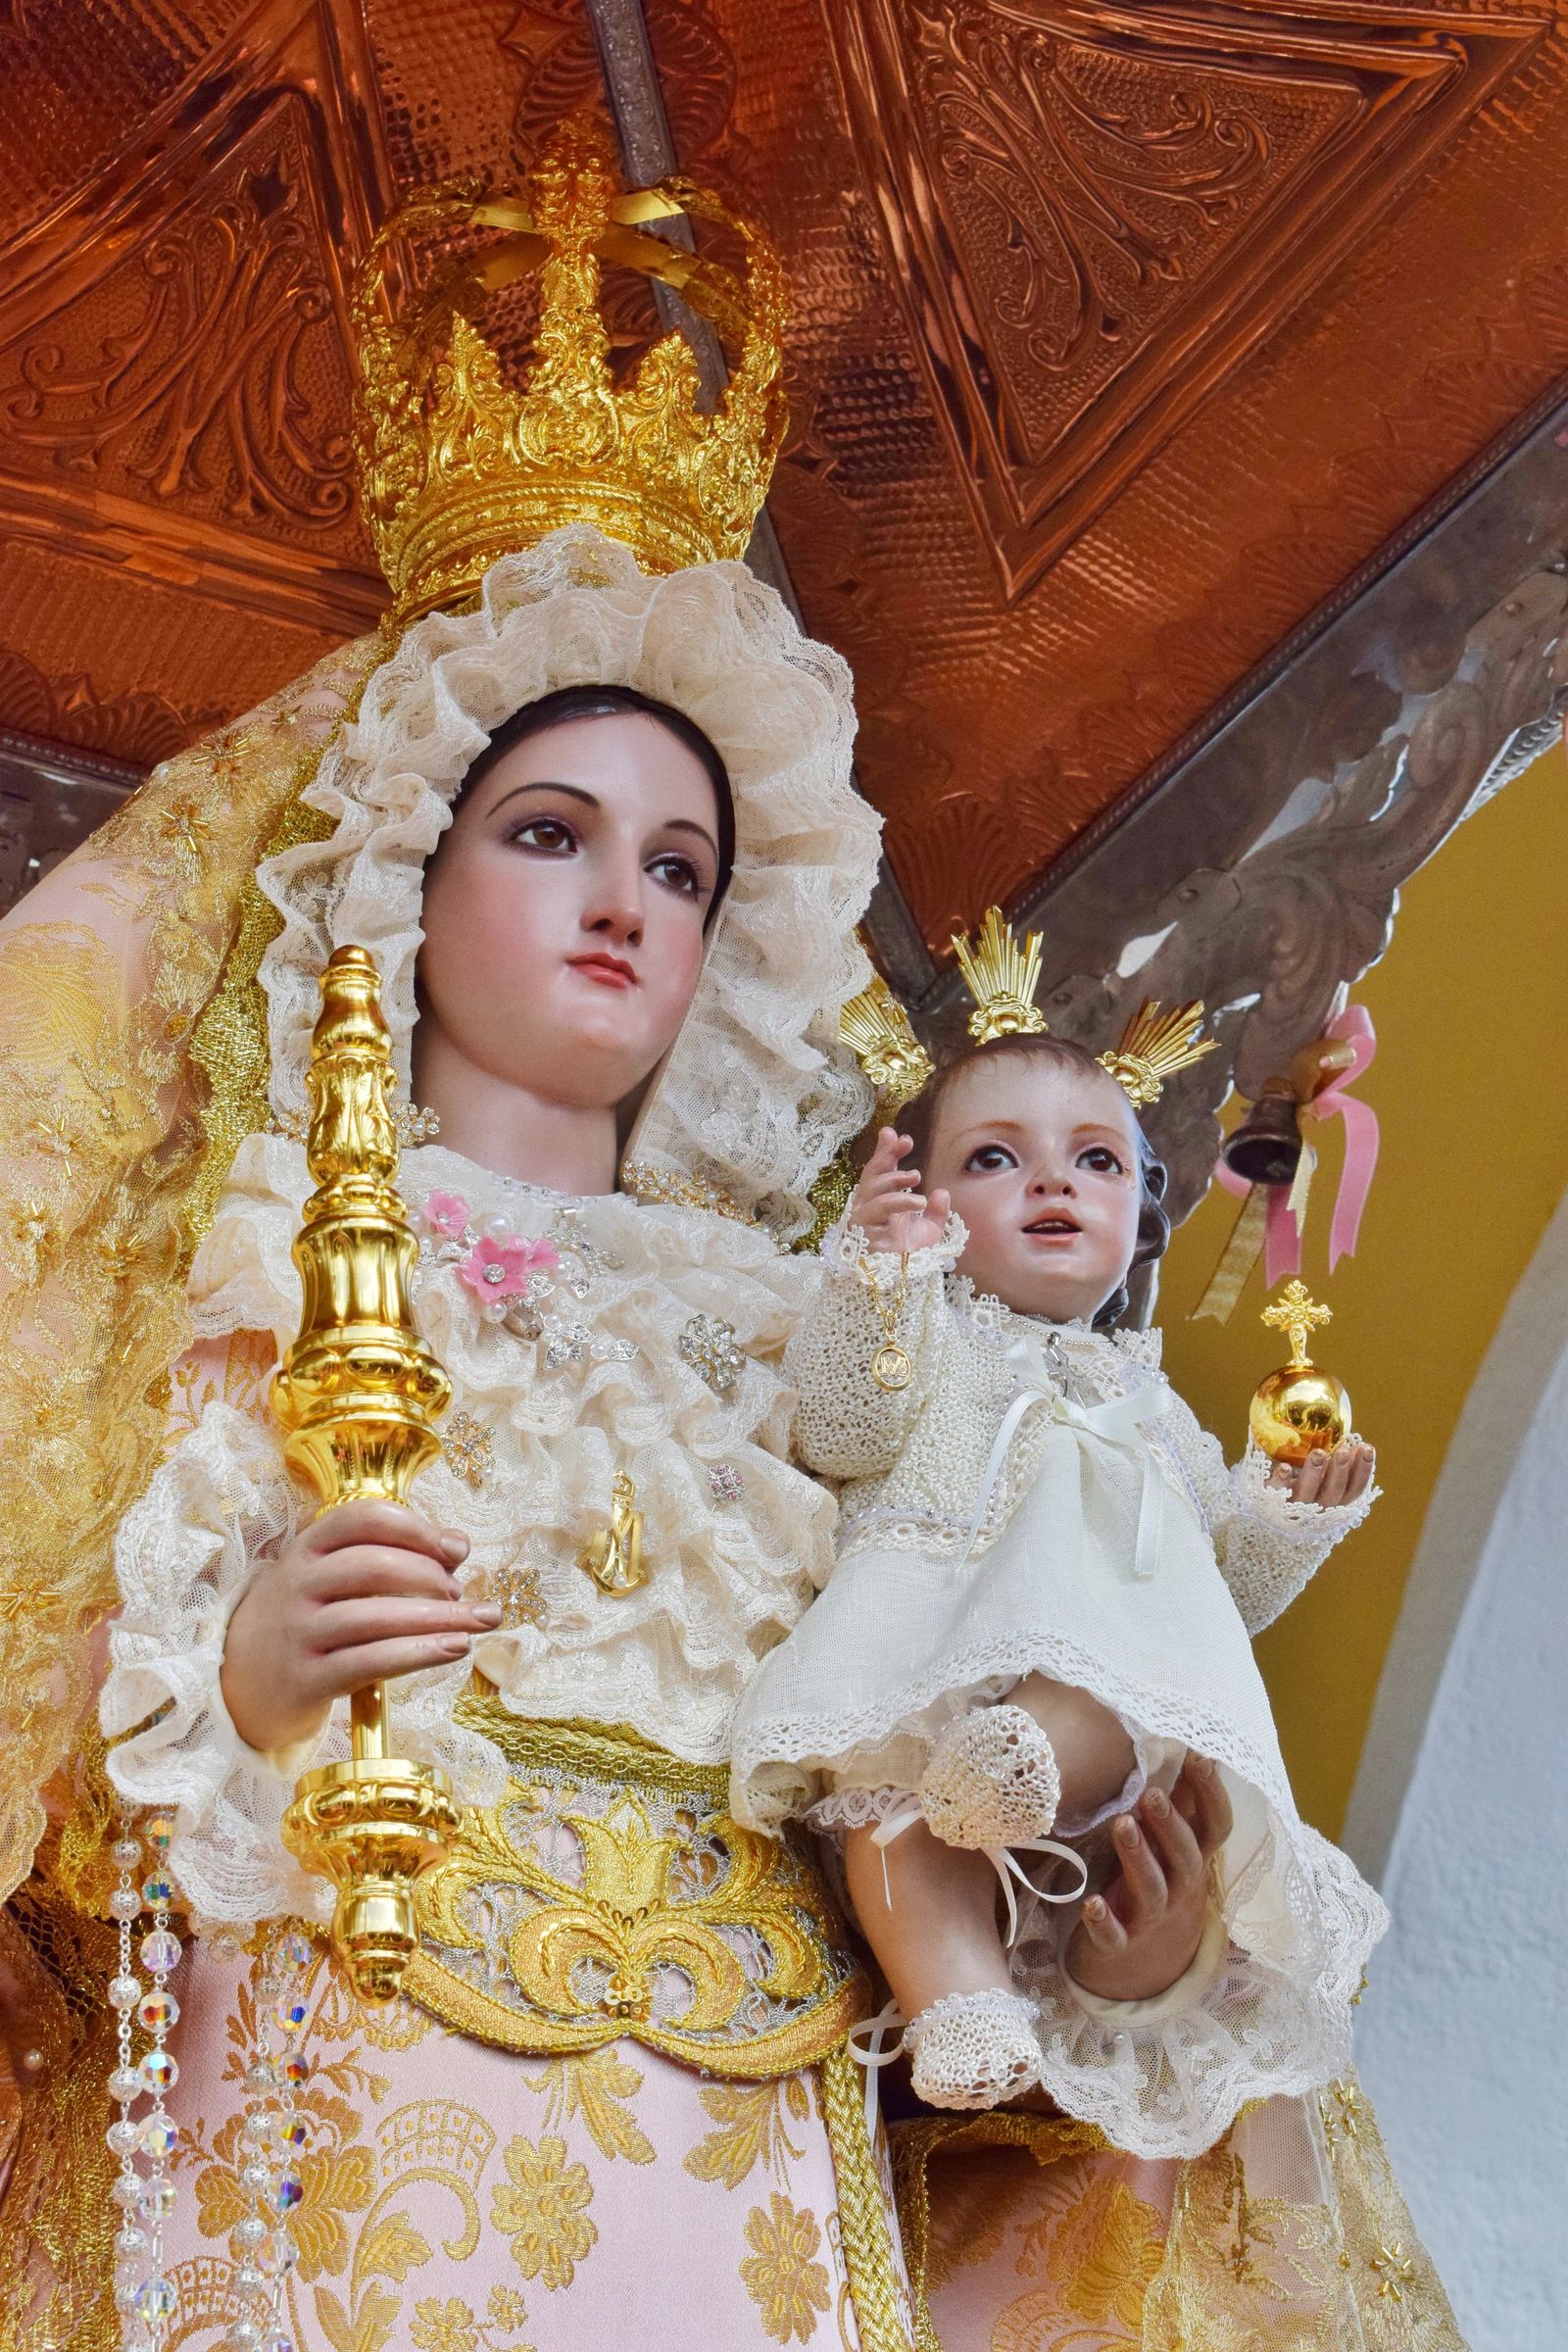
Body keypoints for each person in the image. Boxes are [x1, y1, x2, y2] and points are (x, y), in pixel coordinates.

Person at [730, 1010, 1386, 2156]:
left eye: (1096, 1160)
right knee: (888, 1829)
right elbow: (838, 1432)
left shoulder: (1152, 1406)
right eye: (994, 1158)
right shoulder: (936, 1343)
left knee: (1099, 1690)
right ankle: (961, 2003)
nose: (1052, 1183)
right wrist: (877, 1281)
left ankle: (1024, 1763)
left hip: (1092, 1709)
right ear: (924, 1202)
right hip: (919, 1656)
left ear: (1140, 1217)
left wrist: (1290, 1519)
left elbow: (1217, 1603)